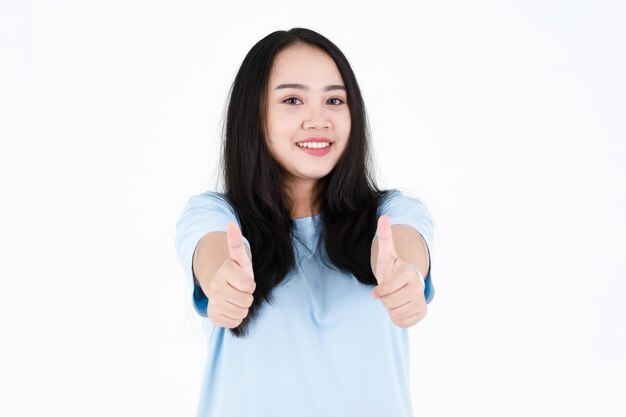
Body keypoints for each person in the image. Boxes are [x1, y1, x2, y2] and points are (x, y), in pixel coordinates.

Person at [175, 27, 435, 417]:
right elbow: (213, 256)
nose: (319, 120)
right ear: (254, 114)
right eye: (293, 100)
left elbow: (402, 249)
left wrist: (407, 279)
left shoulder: (394, 213)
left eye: (334, 100)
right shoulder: (214, 215)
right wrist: (222, 286)